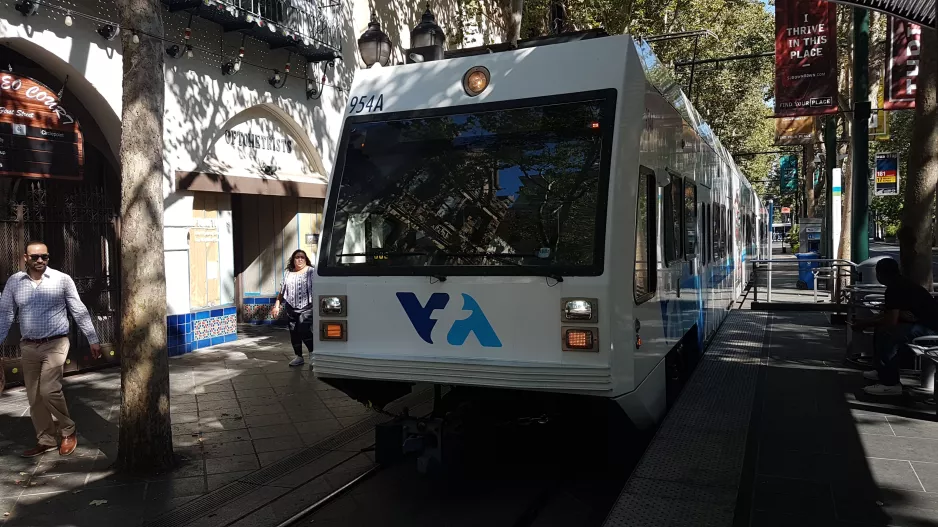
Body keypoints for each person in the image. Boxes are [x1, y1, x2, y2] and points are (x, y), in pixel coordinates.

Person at [0, 241, 101, 457]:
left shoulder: (61, 280)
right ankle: (45, 439)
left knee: (49, 389)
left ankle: (68, 431)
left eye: (44, 257)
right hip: (29, 346)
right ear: (25, 258)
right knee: (34, 396)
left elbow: (78, 309)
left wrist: (93, 338)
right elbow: (6, 314)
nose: (40, 261)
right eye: (35, 257)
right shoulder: (15, 282)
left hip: (56, 342)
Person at [852, 257, 938, 396]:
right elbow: (889, 314)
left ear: (880, 274)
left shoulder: (895, 288)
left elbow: (890, 321)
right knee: (882, 329)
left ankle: (890, 383)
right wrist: (867, 322)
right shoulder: (900, 284)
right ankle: (882, 370)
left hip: (929, 329)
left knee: (888, 333)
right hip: (924, 324)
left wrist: (864, 323)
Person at [271, 249, 315, 367]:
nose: (300, 259)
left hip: (308, 307)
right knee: (294, 332)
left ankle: (312, 353)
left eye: (302, 257)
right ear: (293, 260)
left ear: (306, 259)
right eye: (297, 257)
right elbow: (282, 292)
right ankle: (299, 356)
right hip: (291, 307)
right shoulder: (288, 273)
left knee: (303, 327)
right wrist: (277, 306)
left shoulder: (312, 271)